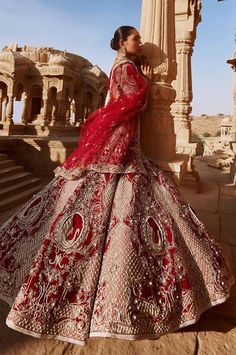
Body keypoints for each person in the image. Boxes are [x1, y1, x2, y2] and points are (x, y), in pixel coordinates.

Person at [0, 26, 234, 346]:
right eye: (135, 39)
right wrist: (147, 82)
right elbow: (133, 102)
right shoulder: (124, 67)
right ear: (123, 43)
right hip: (121, 144)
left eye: (139, 38)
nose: (139, 42)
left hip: (126, 143)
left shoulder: (124, 66)